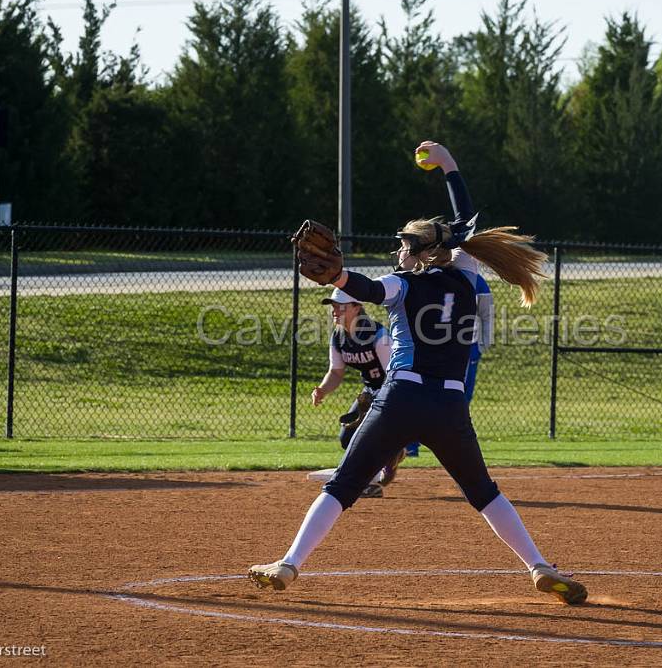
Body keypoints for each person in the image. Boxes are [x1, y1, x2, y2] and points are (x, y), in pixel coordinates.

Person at [249, 141, 586, 605]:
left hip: (401, 398)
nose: (396, 251)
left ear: (414, 252)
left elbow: (365, 287)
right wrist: (449, 165)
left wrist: (336, 277)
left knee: (343, 486)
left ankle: (287, 565)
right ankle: (539, 567)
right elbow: (465, 222)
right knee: (484, 492)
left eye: (402, 244)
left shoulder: (402, 284)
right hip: (449, 405)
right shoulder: (466, 274)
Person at [313, 287, 405, 497]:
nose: (335, 310)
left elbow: (395, 374)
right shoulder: (338, 337)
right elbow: (336, 372)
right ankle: (391, 454)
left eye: (340, 306)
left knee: (367, 438)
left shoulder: (377, 335)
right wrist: (322, 390)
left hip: (393, 390)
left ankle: (370, 482)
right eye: (333, 306)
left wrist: (380, 400)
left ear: (356, 307)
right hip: (370, 391)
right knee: (347, 438)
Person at [406, 272, 492, 458]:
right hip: (435, 346)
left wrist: (482, 346)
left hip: (467, 348)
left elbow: (486, 314)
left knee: (460, 399)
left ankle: (452, 445)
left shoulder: (477, 282)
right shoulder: (434, 276)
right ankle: (412, 444)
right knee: (426, 393)